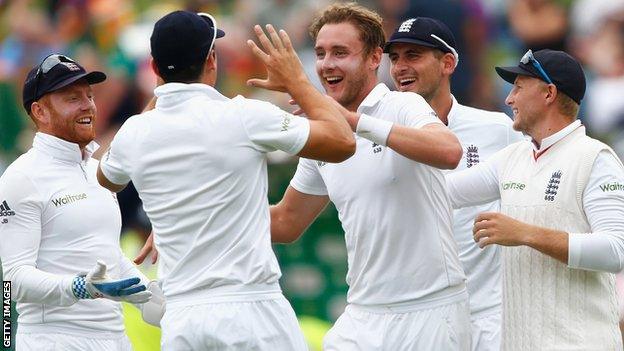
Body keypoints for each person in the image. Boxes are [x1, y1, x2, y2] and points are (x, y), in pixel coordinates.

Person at [97, 10, 355, 350]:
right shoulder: (245, 115)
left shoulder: (134, 132)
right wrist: (298, 81)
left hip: (182, 321)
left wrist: (160, 94)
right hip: (251, 312)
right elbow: (342, 142)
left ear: (156, 69)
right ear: (212, 61)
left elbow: (107, 179)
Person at [268, 3, 470, 350]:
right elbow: (286, 221)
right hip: (362, 314)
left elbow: (449, 151)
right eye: (320, 53)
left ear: (375, 58)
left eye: (340, 52)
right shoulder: (324, 137)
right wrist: (195, 220)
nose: (327, 63)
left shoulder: (402, 105)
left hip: (430, 311)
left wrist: (352, 121)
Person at [446, 49, 624, 349]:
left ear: (549, 93)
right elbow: (442, 193)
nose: (508, 99)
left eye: (518, 87)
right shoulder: (512, 158)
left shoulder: (596, 158)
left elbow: (615, 251)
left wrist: (525, 233)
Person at [0, 53, 163, 351]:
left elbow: (109, 258)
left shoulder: (96, 172)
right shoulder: (22, 177)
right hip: (52, 340)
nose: (88, 105)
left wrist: (151, 296)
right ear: (40, 111)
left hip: (115, 340)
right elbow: (13, 279)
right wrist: (77, 287)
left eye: (89, 96)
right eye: (72, 98)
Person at [383, 17, 525, 350]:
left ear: (448, 63)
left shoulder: (497, 128)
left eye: (413, 55)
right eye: (395, 58)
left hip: (488, 316)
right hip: (413, 318)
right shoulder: (375, 133)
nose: (400, 67)